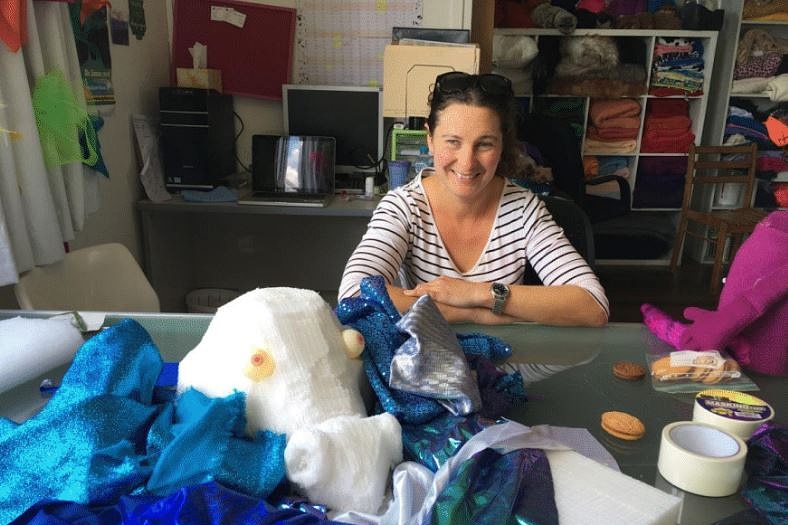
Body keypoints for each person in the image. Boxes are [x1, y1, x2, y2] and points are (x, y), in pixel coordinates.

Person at [338, 72, 609, 326]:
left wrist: (479, 294)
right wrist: (473, 315)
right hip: (425, 365)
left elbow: (593, 305)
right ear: (430, 139)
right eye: (452, 142)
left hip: (507, 365)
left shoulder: (524, 210)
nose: (467, 164)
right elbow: (353, 296)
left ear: (503, 146)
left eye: (485, 144)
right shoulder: (404, 207)